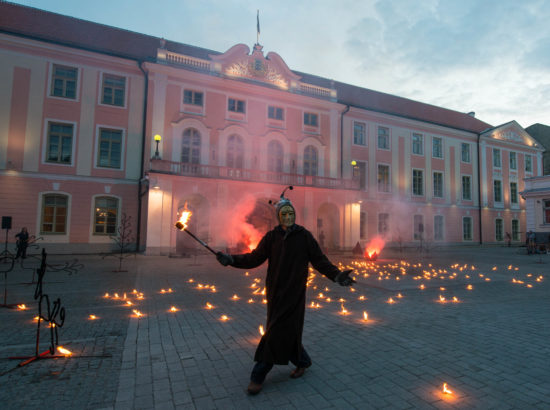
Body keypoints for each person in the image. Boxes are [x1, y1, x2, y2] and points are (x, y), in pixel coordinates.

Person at [216, 187, 355, 395]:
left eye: (291, 213)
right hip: (274, 291)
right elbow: (254, 258)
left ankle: (258, 374)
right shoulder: (271, 237)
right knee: (285, 329)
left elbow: (320, 261)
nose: (288, 216)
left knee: (275, 331)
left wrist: (337, 276)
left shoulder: (304, 236)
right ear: (278, 217)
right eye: (284, 214)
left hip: (295, 292)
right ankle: (303, 361)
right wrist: (232, 259)